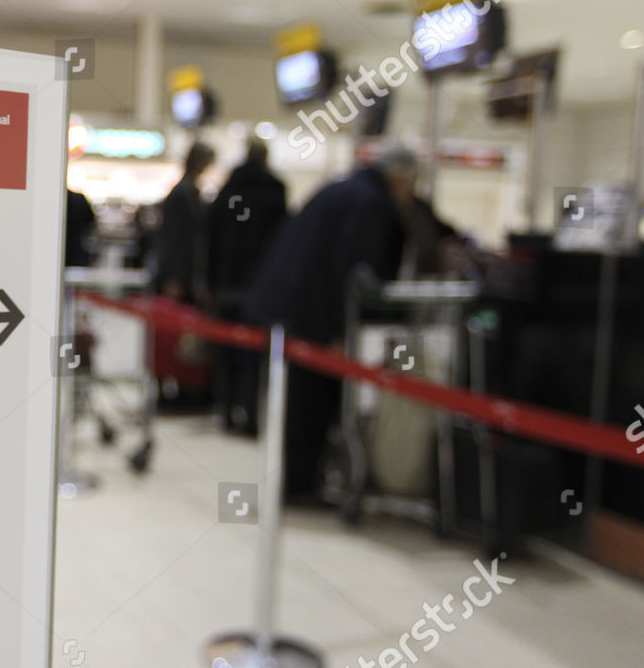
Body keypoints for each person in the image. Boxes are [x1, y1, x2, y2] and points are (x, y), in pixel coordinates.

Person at [245, 145, 458, 501]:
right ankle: (298, 485)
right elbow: (350, 272)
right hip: (308, 313)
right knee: (310, 401)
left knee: (296, 398)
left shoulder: (344, 189)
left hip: (287, 304)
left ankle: (295, 480)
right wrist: (337, 331)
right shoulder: (370, 203)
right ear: (399, 179)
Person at [207, 139, 288, 435]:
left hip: (228, 282)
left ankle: (227, 411)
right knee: (256, 355)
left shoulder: (230, 190)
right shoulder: (275, 191)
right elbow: (281, 242)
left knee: (227, 350)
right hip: (260, 285)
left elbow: (213, 237)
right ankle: (253, 415)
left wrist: (210, 280)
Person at [154, 142, 215, 303]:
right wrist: (174, 277)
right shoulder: (183, 194)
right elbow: (174, 237)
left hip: (184, 273)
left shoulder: (188, 191)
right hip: (180, 274)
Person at [65, 188, 97, 268]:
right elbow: (91, 223)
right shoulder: (79, 199)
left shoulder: (53, 200)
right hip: (77, 254)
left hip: (72, 254)